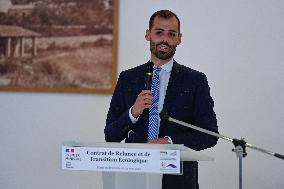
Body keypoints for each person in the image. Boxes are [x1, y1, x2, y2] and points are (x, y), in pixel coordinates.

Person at [105, 9, 218, 189]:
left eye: (171, 34)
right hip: (134, 178)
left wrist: (169, 141)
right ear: (148, 35)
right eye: (159, 33)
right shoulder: (128, 78)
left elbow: (210, 135)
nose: (165, 39)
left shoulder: (195, 80)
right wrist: (133, 113)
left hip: (177, 181)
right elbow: (110, 135)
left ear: (179, 38)